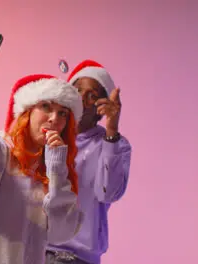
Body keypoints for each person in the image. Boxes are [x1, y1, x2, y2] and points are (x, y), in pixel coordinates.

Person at [0, 65, 85, 264]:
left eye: (63, 113)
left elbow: (60, 234)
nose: (54, 118)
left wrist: (57, 172)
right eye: (46, 106)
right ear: (27, 111)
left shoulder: (57, 172)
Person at [45, 60, 132, 264]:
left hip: (78, 258)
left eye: (92, 95)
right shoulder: (47, 135)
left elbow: (108, 193)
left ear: (103, 106)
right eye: (76, 91)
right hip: (35, 251)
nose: (81, 100)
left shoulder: (114, 145)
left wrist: (111, 132)